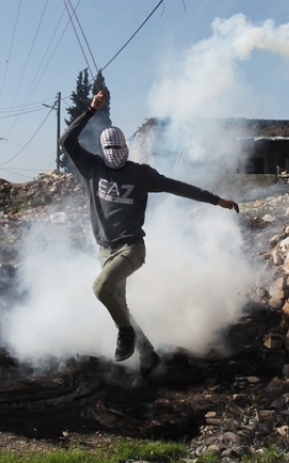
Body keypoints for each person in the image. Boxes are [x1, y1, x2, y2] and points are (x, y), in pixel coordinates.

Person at [60, 89, 239, 373]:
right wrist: (91, 110)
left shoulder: (140, 173)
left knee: (101, 288)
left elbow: (177, 186)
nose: (117, 154)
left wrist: (216, 200)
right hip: (105, 250)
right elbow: (66, 140)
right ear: (103, 151)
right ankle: (148, 355)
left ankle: (126, 335)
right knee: (120, 306)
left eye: (121, 149)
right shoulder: (92, 167)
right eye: (111, 150)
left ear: (126, 148)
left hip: (131, 249)